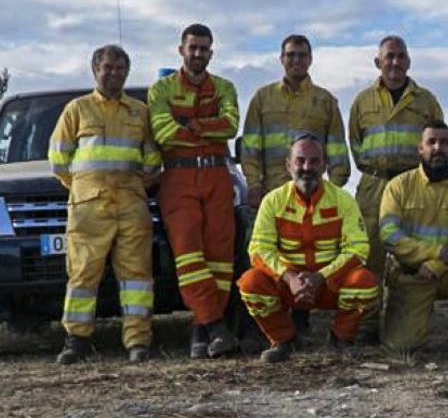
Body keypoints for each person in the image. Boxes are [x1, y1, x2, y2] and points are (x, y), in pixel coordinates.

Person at [48, 45, 162, 364]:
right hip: (89, 207)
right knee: (83, 274)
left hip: (131, 203)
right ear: (95, 70)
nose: (113, 73)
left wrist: (141, 181)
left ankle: (138, 341)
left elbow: (152, 160)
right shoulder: (77, 109)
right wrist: (85, 186)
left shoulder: (140, 112)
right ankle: (76, 340)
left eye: (120, 68)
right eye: (107, 67)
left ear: (127, 71)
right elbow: (58, 160)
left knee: (137, 275)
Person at [237, 135, 378, 363]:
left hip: (327, 285)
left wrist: (320, 278)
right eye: (300, 161)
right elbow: (259, 250)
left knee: (364, 282)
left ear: (323, 165)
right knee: (250, 283)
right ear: (288, 165)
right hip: (287, 286)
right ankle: (284, 341)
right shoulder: (273, 201)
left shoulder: (343, 200)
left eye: (314, 161)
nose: (307, 168)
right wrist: (290, 277)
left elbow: (358, 248)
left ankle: (341, 340)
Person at [148, 23, 241, 359]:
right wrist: (208, 128)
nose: (198, 53)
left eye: (204, 48)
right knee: (189, 256)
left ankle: (201, 331)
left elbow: (231, 124)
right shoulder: (161, 89)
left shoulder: (225, 86)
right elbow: (163, 132)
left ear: (211, 52)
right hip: (178, 179)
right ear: (181, 50)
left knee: (220, 256)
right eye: (193, 47)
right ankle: (216, 326)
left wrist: (192, 125)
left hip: (216, 175)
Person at [348, 35, 444, 343]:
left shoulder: (425, 101)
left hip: (412, 184)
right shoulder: (362, 101)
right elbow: (355, 143)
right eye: (388, 56)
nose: (395, 62)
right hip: (373, 185)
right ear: (378, 62)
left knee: (413, 251)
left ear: (409, 61)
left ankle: (409, 320)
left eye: (401, 56)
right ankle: (367, 322)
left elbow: (437, 141)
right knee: (370, 253)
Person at [377, 121, 448, 355]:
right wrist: (433, 252)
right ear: (420, 148)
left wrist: (440, 262)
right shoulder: (398, 187)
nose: (437, 148)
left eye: (443, 142)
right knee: (401, 348)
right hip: (413, 275)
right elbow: (388, 235)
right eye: (431, 142)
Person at [241, 34, 350, 203]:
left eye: (302, 55)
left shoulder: (325, 101)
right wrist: (253, 183)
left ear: (310, 60)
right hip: (271, 194)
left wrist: (332, 191)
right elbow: (250, 148)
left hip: (313, 195)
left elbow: (338, 151)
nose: (296, 60)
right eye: (291, 55)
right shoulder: (263, 98)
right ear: (281, 59)